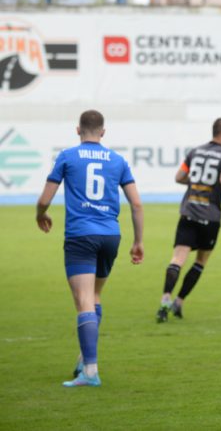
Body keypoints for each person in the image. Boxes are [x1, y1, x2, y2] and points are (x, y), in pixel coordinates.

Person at [35, 110, 145, 387]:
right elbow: (136, 204)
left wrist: (41, 214)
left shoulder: (67, 156)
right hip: (110, 236)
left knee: (83, 300)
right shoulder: (118, 160)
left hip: (80, 236)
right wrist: (138, 241)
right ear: (103, 132)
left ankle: (91, 372)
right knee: (94, 296)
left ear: (78, 130)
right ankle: (85, 358)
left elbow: (45, 199)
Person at [156, 118, 221, 322]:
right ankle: (179, 302)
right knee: (200, 261)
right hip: (210, 217)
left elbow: (179, 177)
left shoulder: (195, 152)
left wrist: (196, 183)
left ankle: (165, 300)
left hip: (189, 212)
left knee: (177, 259)